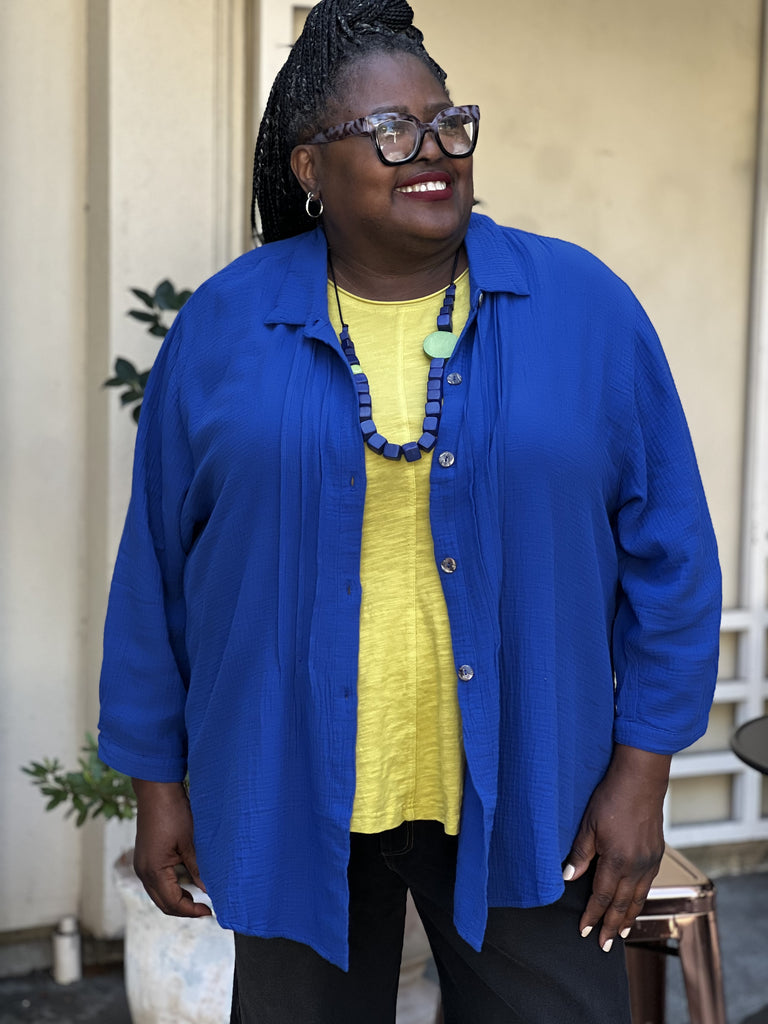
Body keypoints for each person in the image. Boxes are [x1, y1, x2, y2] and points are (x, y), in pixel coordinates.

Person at [98, 1, 722, 1021]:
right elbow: (156, 571)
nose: (432, 150)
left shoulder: (585, 311)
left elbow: (674, 559)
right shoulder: (224, 326)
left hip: (536, 798)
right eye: (391, 130)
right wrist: (157, 783)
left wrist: (642, 771)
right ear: (310, 167)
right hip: (287, 785)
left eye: (448, 123)